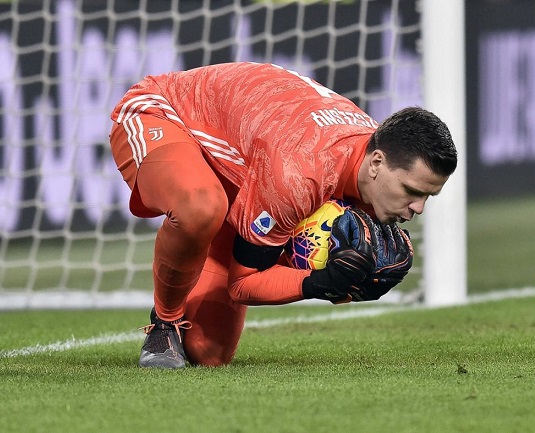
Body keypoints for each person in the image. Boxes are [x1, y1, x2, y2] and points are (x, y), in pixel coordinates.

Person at [108, 62, 457, 369]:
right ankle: (164, 325)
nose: (418, 208)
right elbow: (243, 283)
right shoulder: (301, 174)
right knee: (201, 206)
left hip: (243, 169)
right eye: (412, 191)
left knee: (208, 352)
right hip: (165, 113)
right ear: (377, 163)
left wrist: (347, 285)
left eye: (428, 195)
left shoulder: (369, 162)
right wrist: (319, 283)